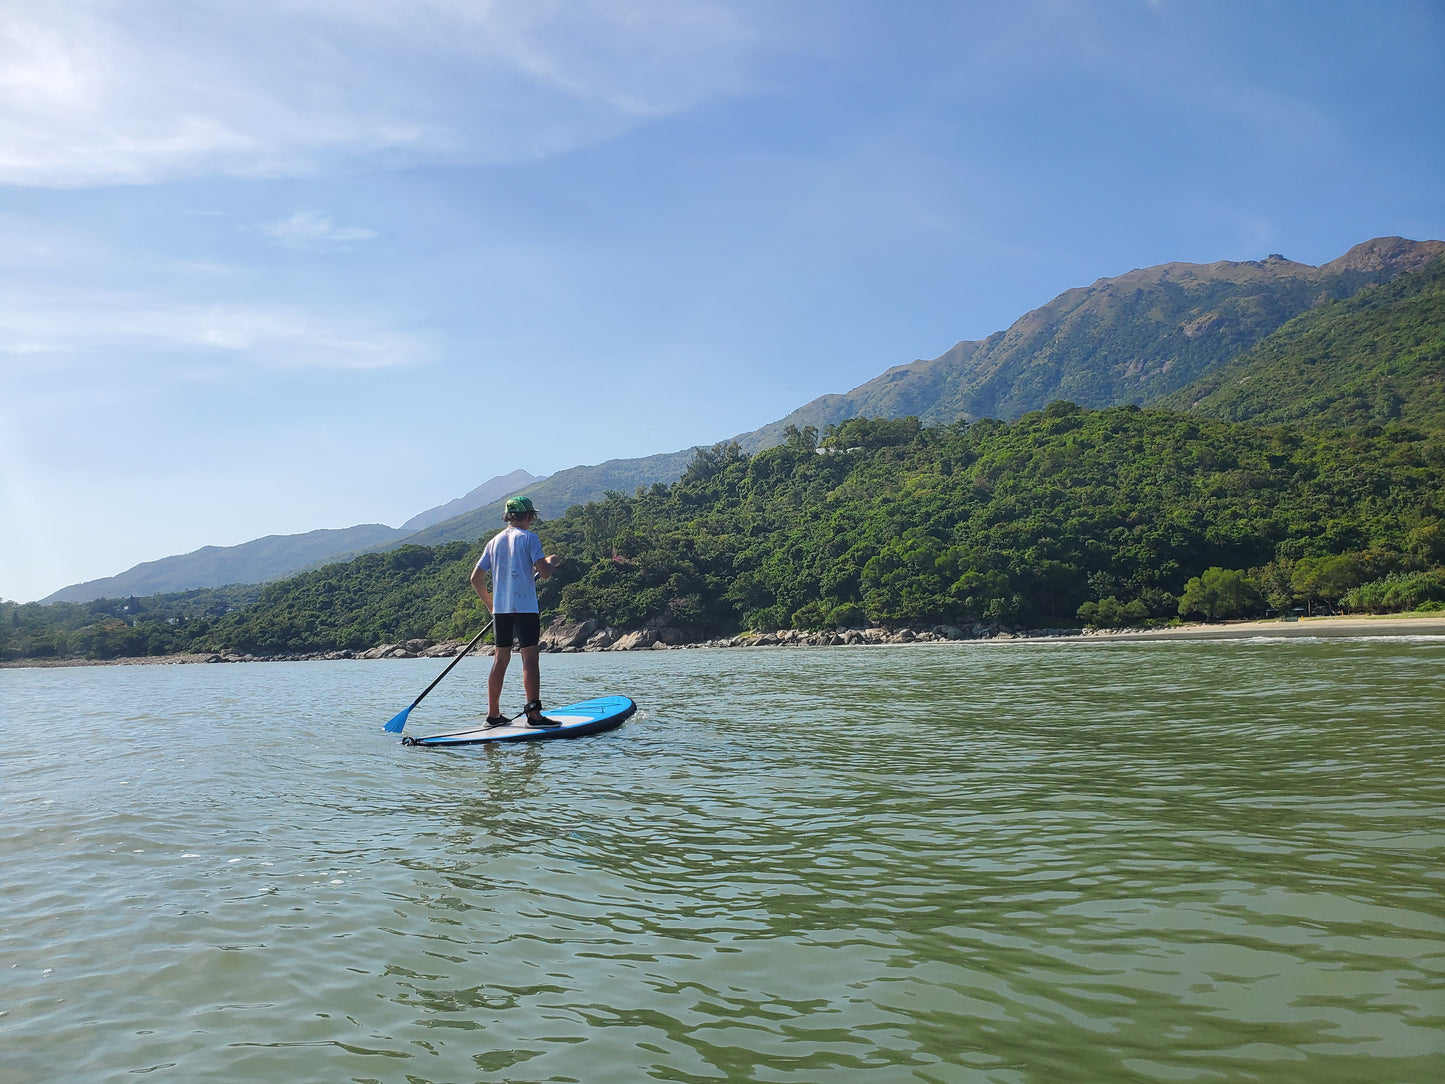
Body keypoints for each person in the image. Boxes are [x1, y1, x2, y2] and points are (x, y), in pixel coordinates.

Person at [470, 496, 562, 726]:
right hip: (526, 608)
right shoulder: (530, 538)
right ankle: (533, 714)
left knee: (500, 659)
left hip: (501, 611)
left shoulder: (494, 541)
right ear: (529, 516)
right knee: (529, 658)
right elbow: (545, 572)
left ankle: (493, 715)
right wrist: (551, 561)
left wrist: (490, 605)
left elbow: (475, 578)